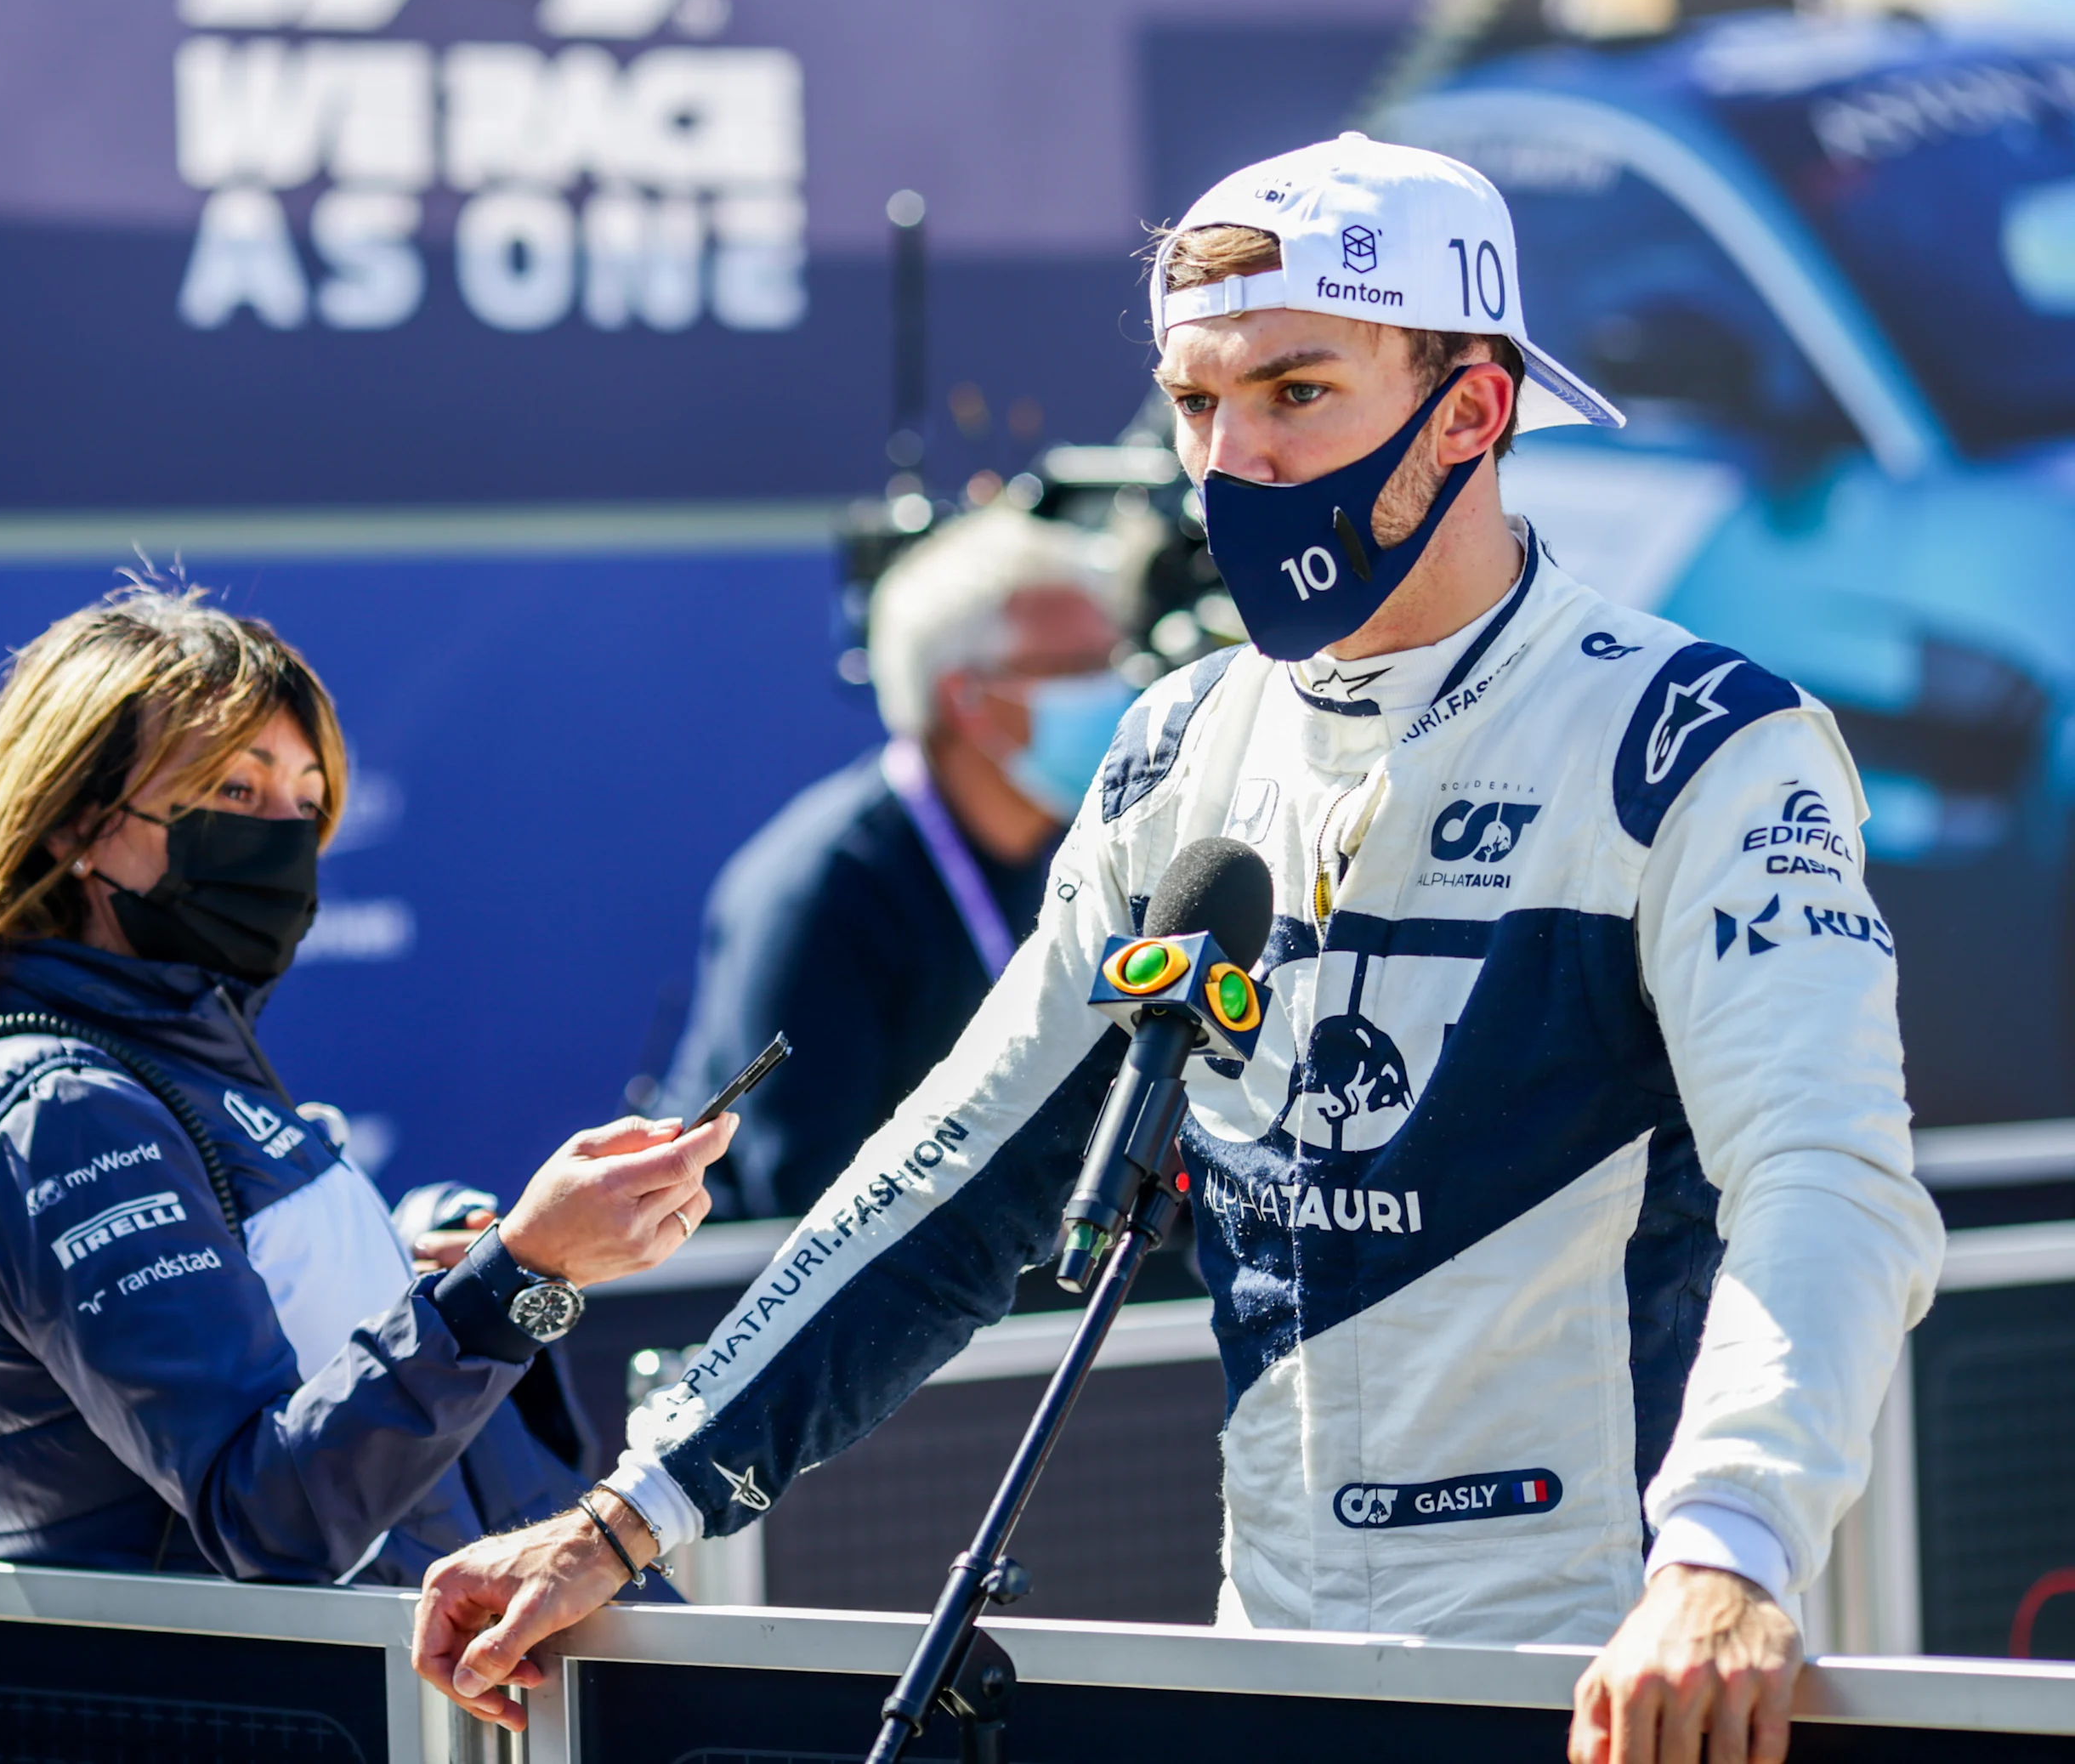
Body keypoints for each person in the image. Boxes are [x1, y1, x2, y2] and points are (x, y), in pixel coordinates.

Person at [412, 135, 1944, 1764]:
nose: (1235, 457)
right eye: (1197, 403)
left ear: (1475, 410)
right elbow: (958, 1167)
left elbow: (1827, 1174)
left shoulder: (1696, 741)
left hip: (1590, 1667)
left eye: (1296, 391)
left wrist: (1727, 1549)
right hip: (1267, 1660)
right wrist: (622, 1515)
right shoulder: (1180, 743)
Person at [0, 582, 735, 1584]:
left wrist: (440, 1275)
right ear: (73, 824)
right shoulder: (62, 1112)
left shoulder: (178, 1065)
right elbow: (269, 1513)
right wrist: (517, 1272)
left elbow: (365, 1436)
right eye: (236, 791)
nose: (281, 835)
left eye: (307, 802)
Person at [666, 507, 1142, 1220]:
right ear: (967, 697)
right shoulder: (820, 892)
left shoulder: (1096, 848)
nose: (1117, 696)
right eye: (1076, 670)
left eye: (1113, 662)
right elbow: (807, 1194)